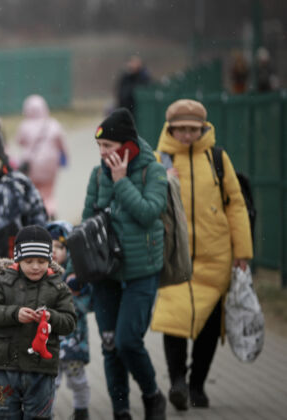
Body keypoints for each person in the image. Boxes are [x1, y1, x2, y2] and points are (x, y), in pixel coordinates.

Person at [150, 99, 253, 411]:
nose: (186, 135)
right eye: (180, 129)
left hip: (215, 255)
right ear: (170, 128)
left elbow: (235, 204)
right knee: (174, 321)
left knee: (209, 324)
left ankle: (197, 385)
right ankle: (177, 381)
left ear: (203, 129)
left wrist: (242, 251)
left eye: (192, 129)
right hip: (174, 256)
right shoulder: (158, 161)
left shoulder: (218, 159)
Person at [80, 108, 168, 420]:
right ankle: (121, 410)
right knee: (109, 346)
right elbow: (87, 223)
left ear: (127, 146)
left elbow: (148, 213)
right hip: (106, 274)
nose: (102, 154)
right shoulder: (96, 174)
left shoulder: (152, 172)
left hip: (142, 272)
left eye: (108, 147)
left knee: (128, 341)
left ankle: (152, 395)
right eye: (99, 148)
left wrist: (120, 182)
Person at [0, 116, 48, 374]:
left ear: (2, 157)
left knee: (5, 323)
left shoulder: (18, 183)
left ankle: (5, 374)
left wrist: (36, 256)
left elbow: (38, 218)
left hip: (11, 266)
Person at [0, 225, 76, 420]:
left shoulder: (58, 286)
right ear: (17, 258)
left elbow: (69, 321)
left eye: (41, 261)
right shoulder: (2, 280)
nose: (35, 266)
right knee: (2, 414)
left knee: (39, 416)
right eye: (28, 261)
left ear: (49, 259)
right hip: (3, 369)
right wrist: (15, 314)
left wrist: (51, 317)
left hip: (42, 372)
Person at [47, 220, 92, 420]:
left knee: (77, 378)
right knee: (50, 381)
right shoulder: (41, 274)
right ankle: (45, 412)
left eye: (60, 246)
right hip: (49, 343)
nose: (54, 251)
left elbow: (84, 305)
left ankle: (81, 410)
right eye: (50, 246)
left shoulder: (76, 278)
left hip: (74, 340)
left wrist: (69, 291)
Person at [14, 94, 68, 217]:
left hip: (31, 164)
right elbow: (62, 144)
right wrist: (65, 158)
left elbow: (19, 141)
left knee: (34, 189)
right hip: (51, 163)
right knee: (49, 190)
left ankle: (37, 211)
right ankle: (50, 210)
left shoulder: (25, 125)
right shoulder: (53, 124)